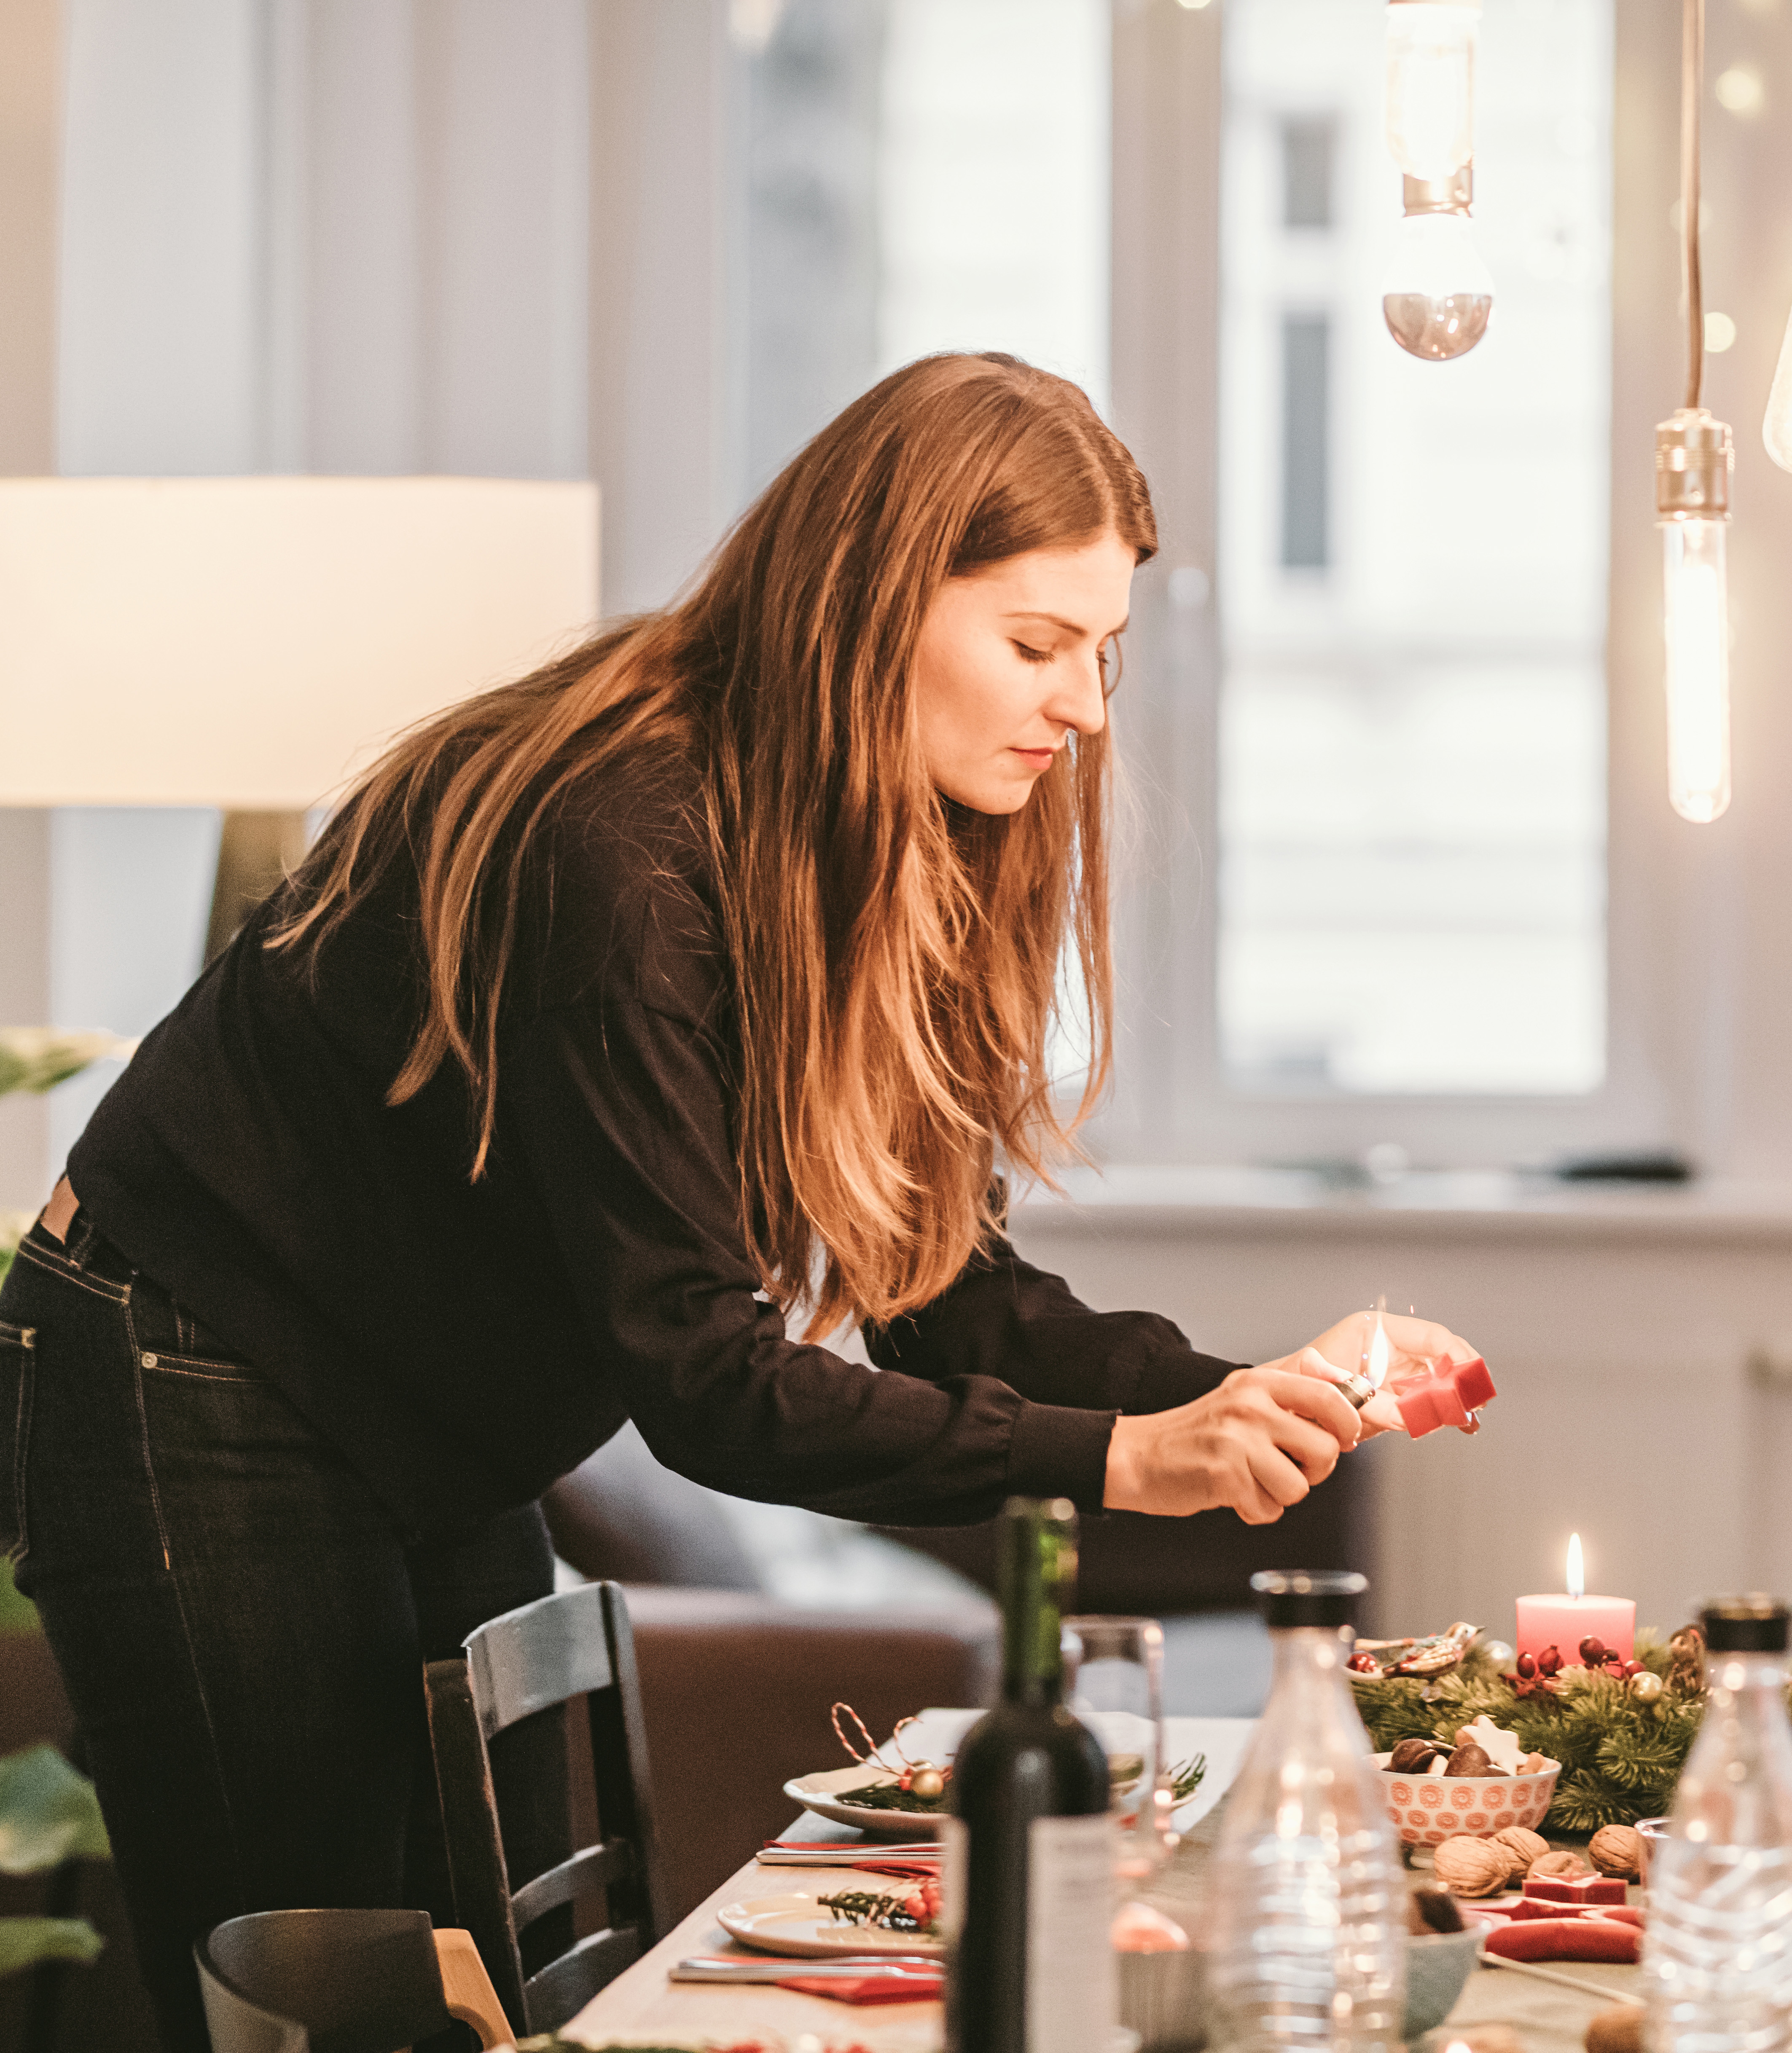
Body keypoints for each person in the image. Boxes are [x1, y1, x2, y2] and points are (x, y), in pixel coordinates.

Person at [0, 353, 1479, 2049]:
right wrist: (1132, 1463)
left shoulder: (869, 838)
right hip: (191, 1370)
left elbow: (943, 1292)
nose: (1085, 708)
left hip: (421, 1414)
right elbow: (705, 1383)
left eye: (1105, 653)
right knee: (324, 1985)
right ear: (869, 605)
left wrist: (1234, 1395)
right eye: (1035, 644)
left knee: (474, 1982)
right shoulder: (616, 852)